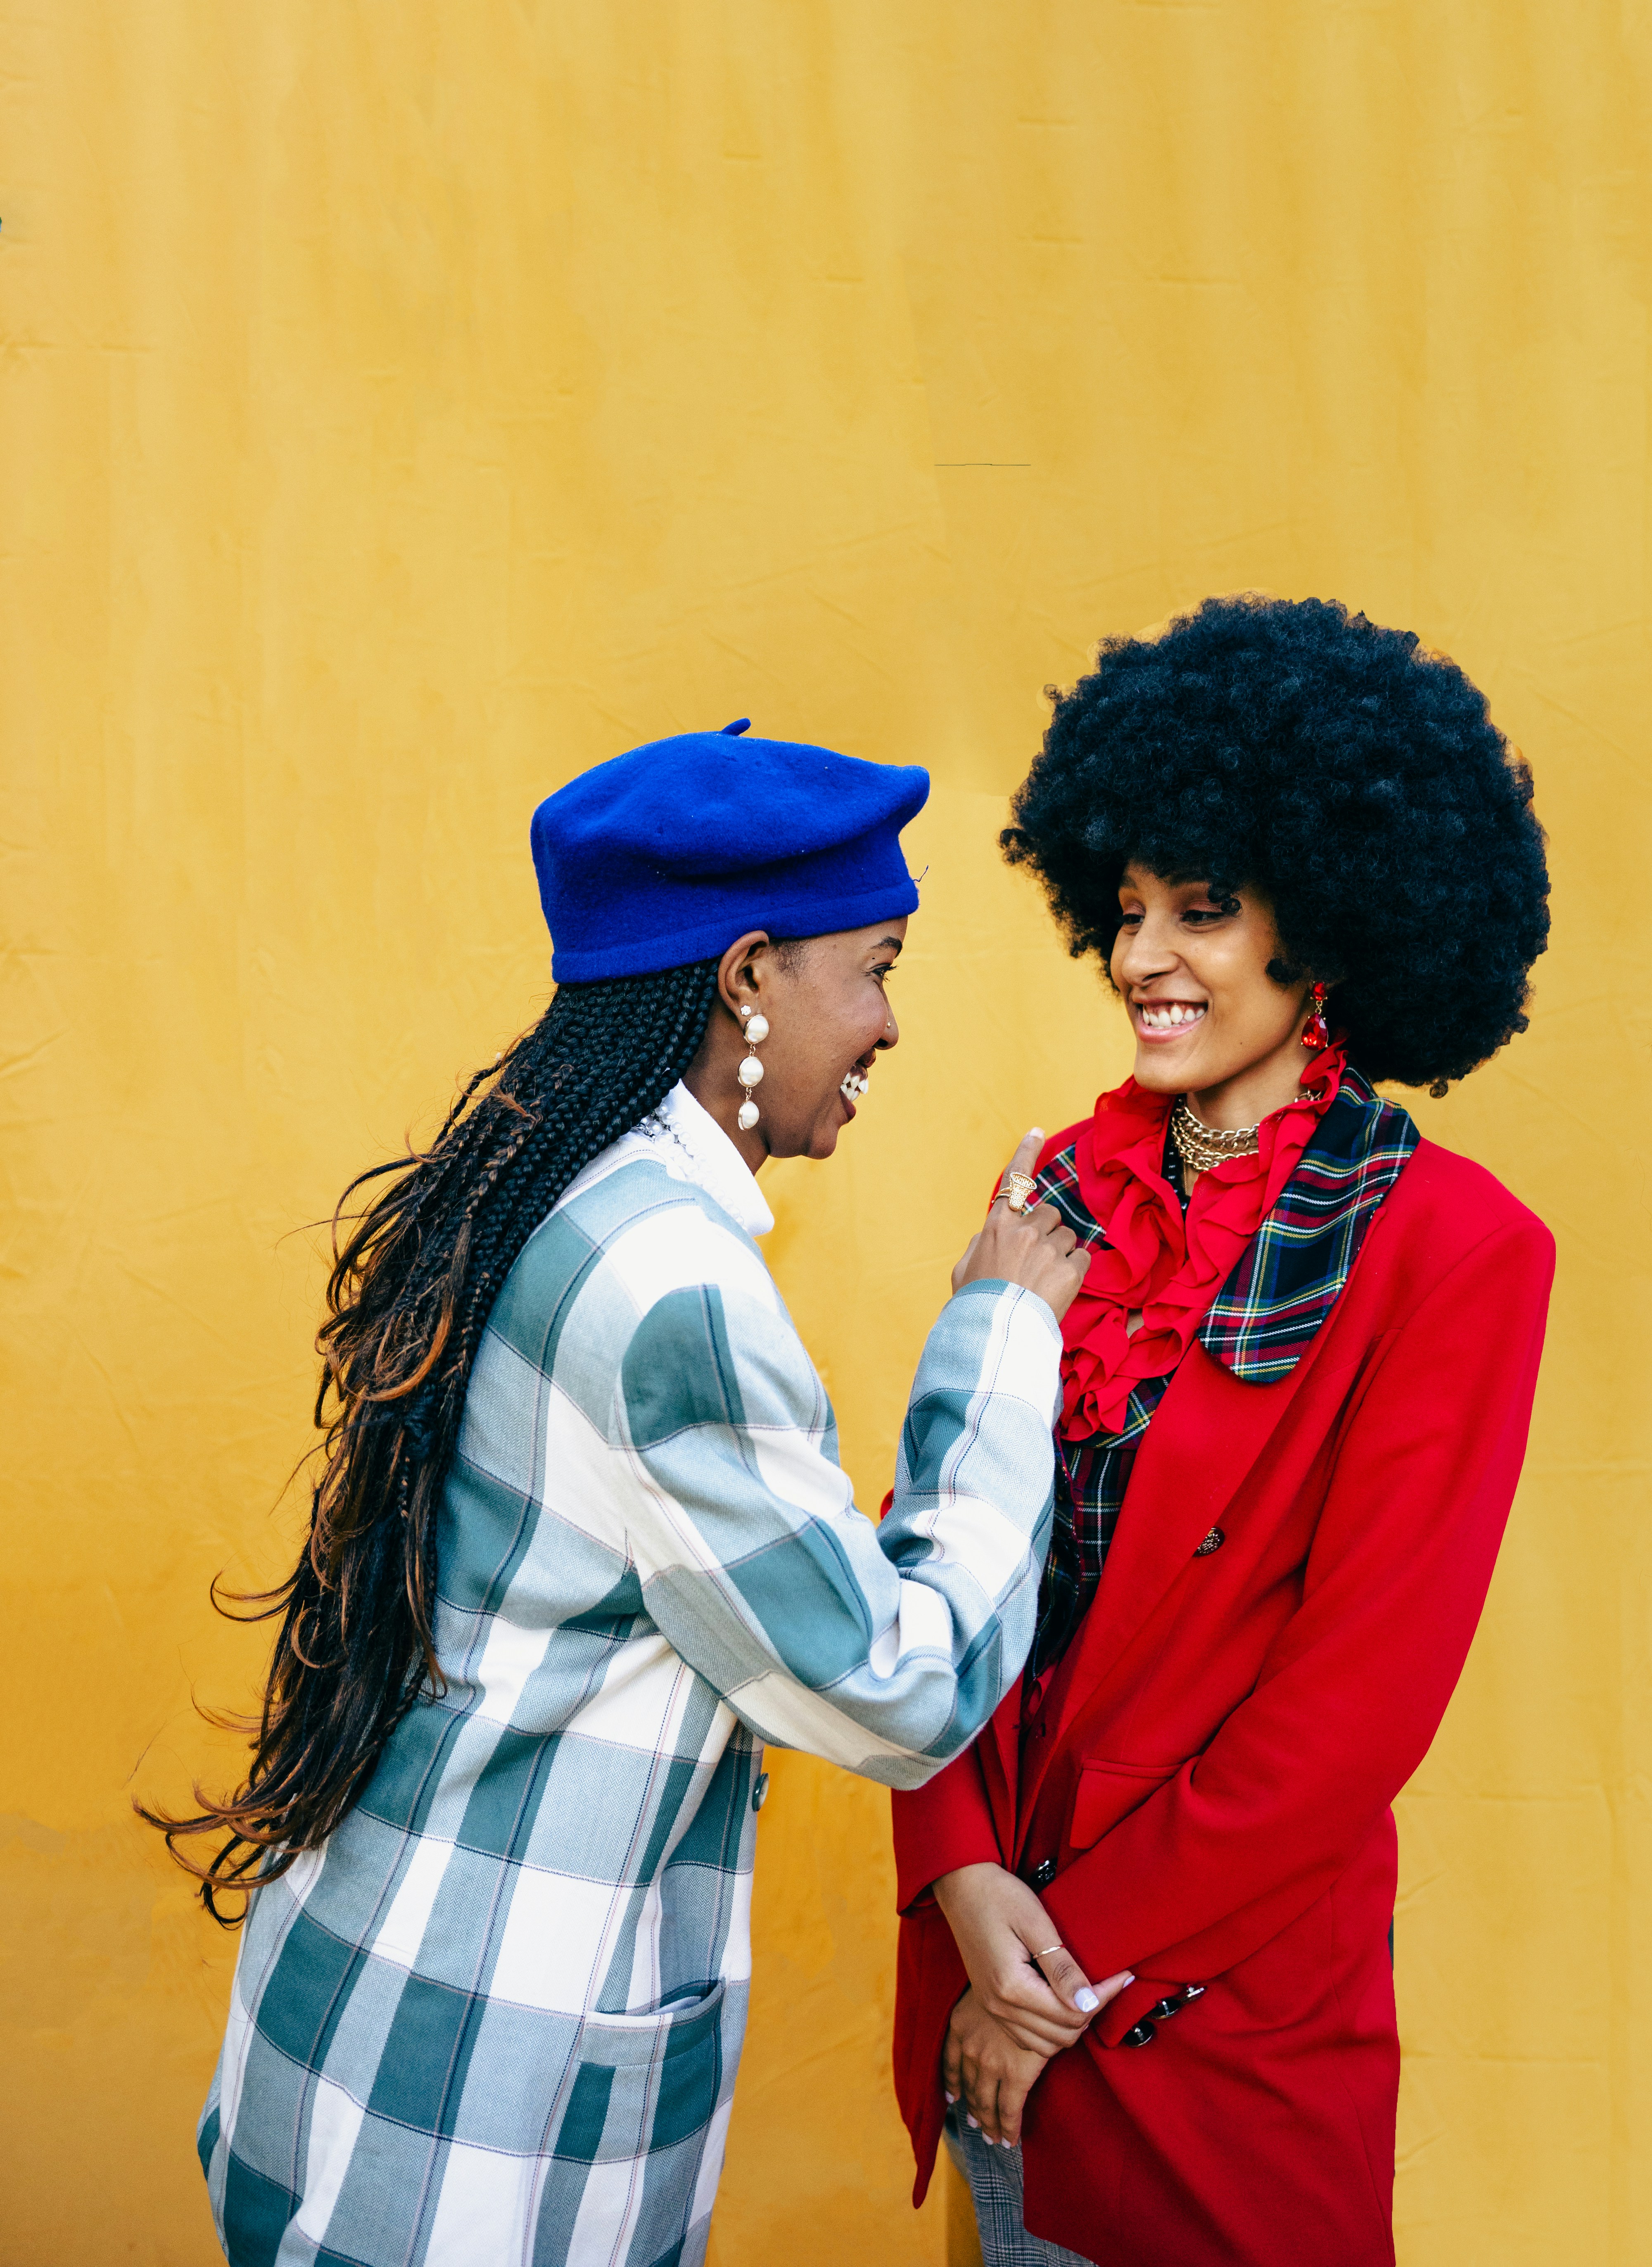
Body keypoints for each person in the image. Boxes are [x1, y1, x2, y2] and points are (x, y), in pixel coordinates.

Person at [150, 720, 1121, 2267]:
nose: (887, 1026)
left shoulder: (551, 1187)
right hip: (476, 2131)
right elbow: (900, 1689)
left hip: (353, 2030)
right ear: (748, 976)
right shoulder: (670, 1289)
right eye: (874, 969)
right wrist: (1002, 1337)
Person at [889, 597, 1556, 2267]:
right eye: (1124, 910)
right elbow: (924, 1559)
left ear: (1323, 928)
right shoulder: (1052, 1195)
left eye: (1201, 910)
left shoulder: (1453, 1248)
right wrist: (963, 1888)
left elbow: (1347, 1719)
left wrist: (1046, 1978)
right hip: (988, 1973)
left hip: (1203, 2021)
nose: (1139, 960)